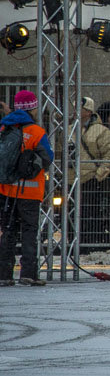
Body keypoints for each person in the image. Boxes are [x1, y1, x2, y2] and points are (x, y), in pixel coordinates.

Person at [0, 90, 54, 286]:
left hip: (5, 190)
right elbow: (48, 157)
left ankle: (4, 274)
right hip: (29, 192)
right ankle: (28, 273)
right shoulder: (37, 132)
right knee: (30, 231)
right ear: (33, 108)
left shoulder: (3, 128)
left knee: (8, 230)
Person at [79, 96, 110, 245]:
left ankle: (90, 242)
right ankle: (75, 241)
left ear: (89, 111)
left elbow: (109, 155)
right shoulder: (70, 129)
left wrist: (99, 175)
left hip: (91, 179)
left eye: (81, 109)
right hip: (73, 180)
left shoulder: (101, 131)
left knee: (91, 213)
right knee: (73, 213)